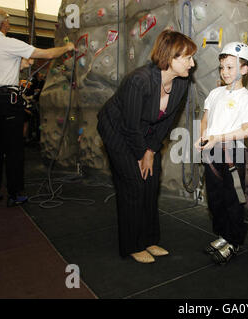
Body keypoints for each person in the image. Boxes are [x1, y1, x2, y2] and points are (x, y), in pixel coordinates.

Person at [97, 30, 197, 263]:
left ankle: (150, 239)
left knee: (151, 181)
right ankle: (132, 245)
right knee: (133, 183)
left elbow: (167, 122)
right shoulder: (139, 80)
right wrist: (141, 153)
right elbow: (130, 126)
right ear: (170, 57)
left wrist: (150, 151)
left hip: (146, 133)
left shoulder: (181, 83)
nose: (192, 64)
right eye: (188, 58)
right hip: (117, 129)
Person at [0, 9, 75, 207]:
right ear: (2, 24)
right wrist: (67, 46)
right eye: (6, 21)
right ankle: (15, 193)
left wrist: (20, 65)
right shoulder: (8, 43)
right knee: (14, 149)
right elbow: (47, 53)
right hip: (7, 101)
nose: (8, 24)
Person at [194, 42, 248, 265]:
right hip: (212, 152)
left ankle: (234, 240)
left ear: (244, 69)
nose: (225, 72)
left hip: (234, 154)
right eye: (222, 67)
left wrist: (217, 138)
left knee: (235, 200)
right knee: (216, 199)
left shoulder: (247, 98)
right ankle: (223, 234)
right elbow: (205, 120)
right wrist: (204, 136)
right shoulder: (214, 93)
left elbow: (246, 130)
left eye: (230, 67)